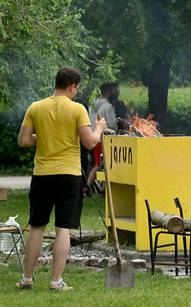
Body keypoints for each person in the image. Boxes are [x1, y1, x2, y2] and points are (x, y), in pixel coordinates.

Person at [17, 67, 107, 291]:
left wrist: (46, 135)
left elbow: (24, 140)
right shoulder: (77, 109)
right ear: (72, 86)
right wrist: (100, 128)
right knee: (63, 228)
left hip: (43, 174)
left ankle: (27, 278)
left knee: (37, 226)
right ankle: (56, 281)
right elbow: (89, 142)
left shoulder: (36, 107)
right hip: (69, 175)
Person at [86, 82, 118, 189]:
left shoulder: (93, 104)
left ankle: (100, 189)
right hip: (103, 139)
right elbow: (112, 124)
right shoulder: (108, 106)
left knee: (96, 163)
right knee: (101, 164)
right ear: (110, 91)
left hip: (91, 136)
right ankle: (87, 187)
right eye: (115, 90)